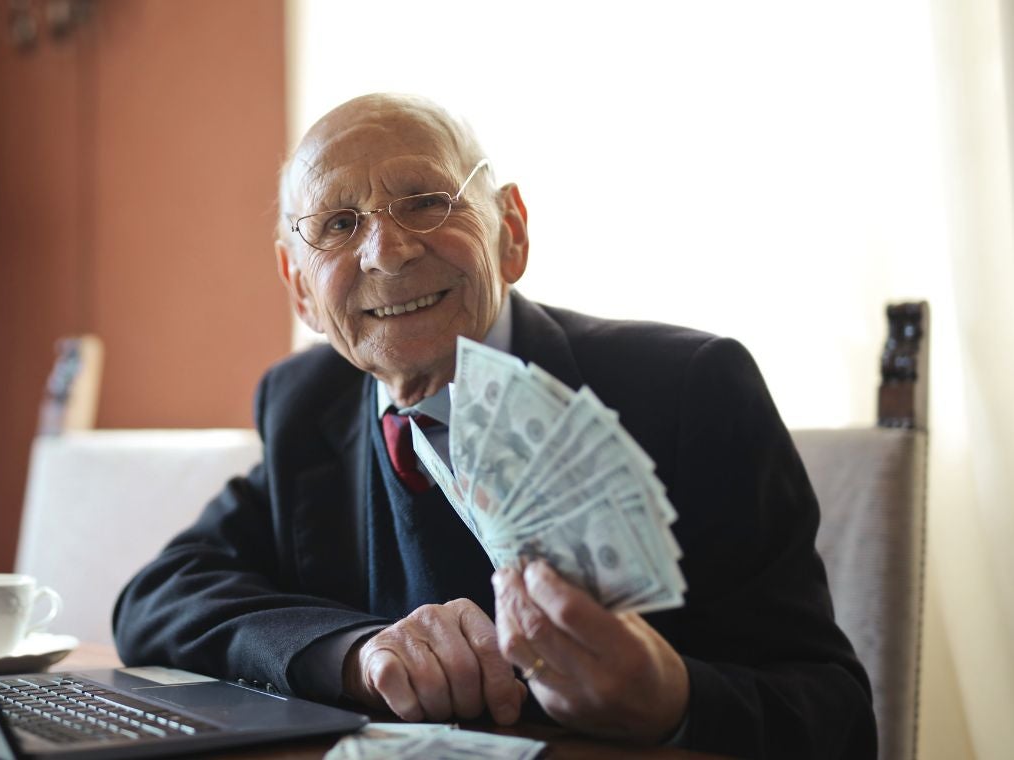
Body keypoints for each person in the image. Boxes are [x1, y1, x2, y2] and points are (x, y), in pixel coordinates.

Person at [113, 93, 876, 758]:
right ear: (299, 289)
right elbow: (160, 597)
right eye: (340, 223)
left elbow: (835, 717)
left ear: (510, 227)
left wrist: (672, 698)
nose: (388, 249)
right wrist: (353, 653)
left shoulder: (690, 389)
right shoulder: (307, 403)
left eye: (424, 201)